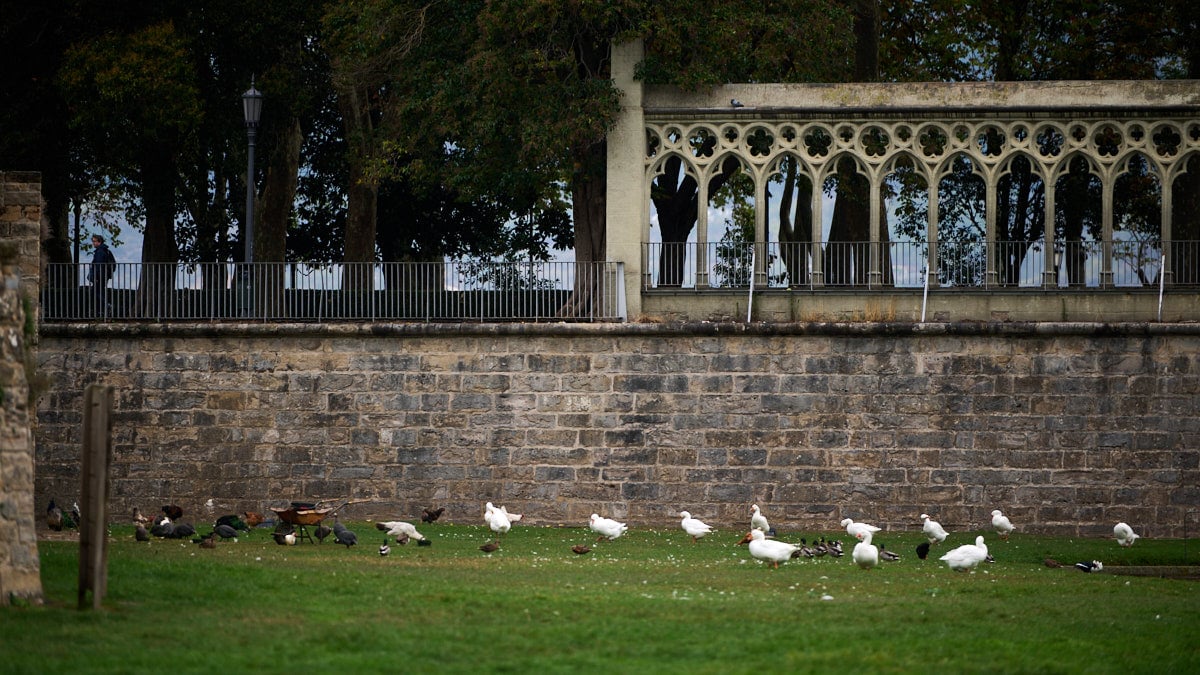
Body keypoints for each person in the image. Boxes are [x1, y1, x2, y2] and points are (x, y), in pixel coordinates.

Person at [88, 234, 116, 315]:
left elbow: (98, 266)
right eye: (93, 241)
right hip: (104, 275)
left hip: (100, 276)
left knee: (95, 293)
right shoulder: (106, 251)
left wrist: (96, 277)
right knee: (99, 292)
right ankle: (101, 311)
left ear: (99, 242)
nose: (93, 243)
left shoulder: (100, 252)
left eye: (94, 241)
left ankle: (106, 306)